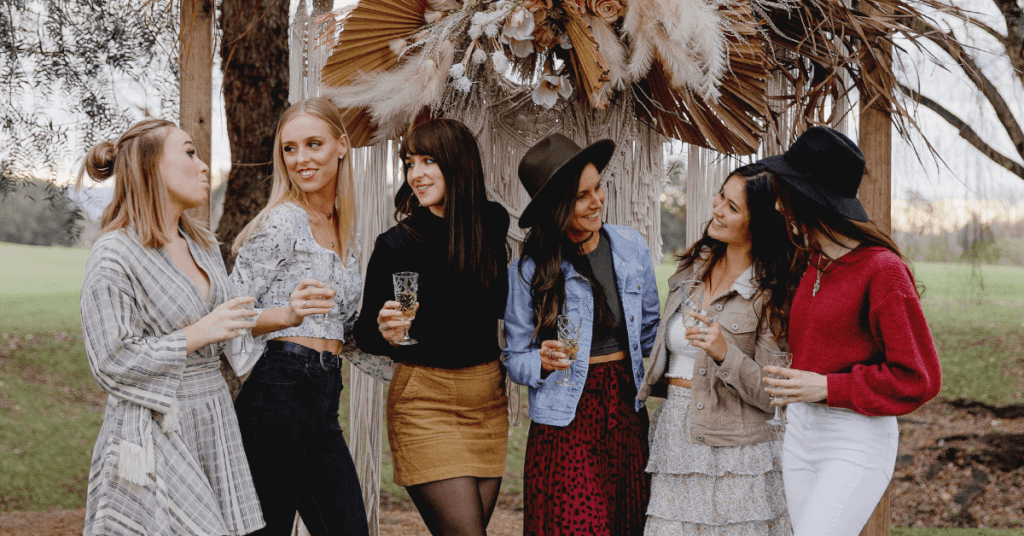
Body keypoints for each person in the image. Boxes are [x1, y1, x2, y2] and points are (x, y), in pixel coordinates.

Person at [77, 119, 265, 535]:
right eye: (190, 152)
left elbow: (230, 327)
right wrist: (197, 334)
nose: (203, 166)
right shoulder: (114, 254)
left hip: (213, 418)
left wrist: (290, 314)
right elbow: (111, 360)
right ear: (150, 166)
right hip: (156, 424)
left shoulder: (202, 243)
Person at [760, 126, 942, 536]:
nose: (776, 205)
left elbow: (919, 378)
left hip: (854, 439)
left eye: (783, 194)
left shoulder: (883, 271)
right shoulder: (814, 262)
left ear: (807, 199)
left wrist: (827, 386)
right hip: (801, 432)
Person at [354, 118, 510, 536]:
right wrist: (385, 332)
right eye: (410, 162)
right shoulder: (397, 244)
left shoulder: (491, 225)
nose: (416, 174)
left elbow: (498, 307)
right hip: (425, 402)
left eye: (428, 161)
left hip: (487, 401)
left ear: (458, 164)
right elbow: (364, 332)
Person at [504, 133, 661, 536]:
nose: (597, 202)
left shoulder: (630, 247)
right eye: (582, 196)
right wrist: (538, 361)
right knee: (578, 526)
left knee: (627, 523)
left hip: (625, 407)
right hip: (566, 415)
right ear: (556, 208)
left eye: (598, 188)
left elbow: (650, 336)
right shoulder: (529, 272)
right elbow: (514, 357)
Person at [229, 97, 369, 536]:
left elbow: (341, 327)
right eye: (290, 149)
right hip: (281, 387)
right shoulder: (281, 221)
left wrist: (382, 323)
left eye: (313, 144)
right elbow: (228, 312)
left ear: (342, 145)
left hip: (325, 392)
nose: (301, 160)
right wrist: (286, 314)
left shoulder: (348, 229)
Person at [637, 163, 796, 535]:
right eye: (720, 196)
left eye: (732, 207)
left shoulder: (770, 292)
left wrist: (726, 352)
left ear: (757, 224)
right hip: (677, 436)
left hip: (738, 452)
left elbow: (775, 395)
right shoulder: (693, 269)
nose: (717, 208)